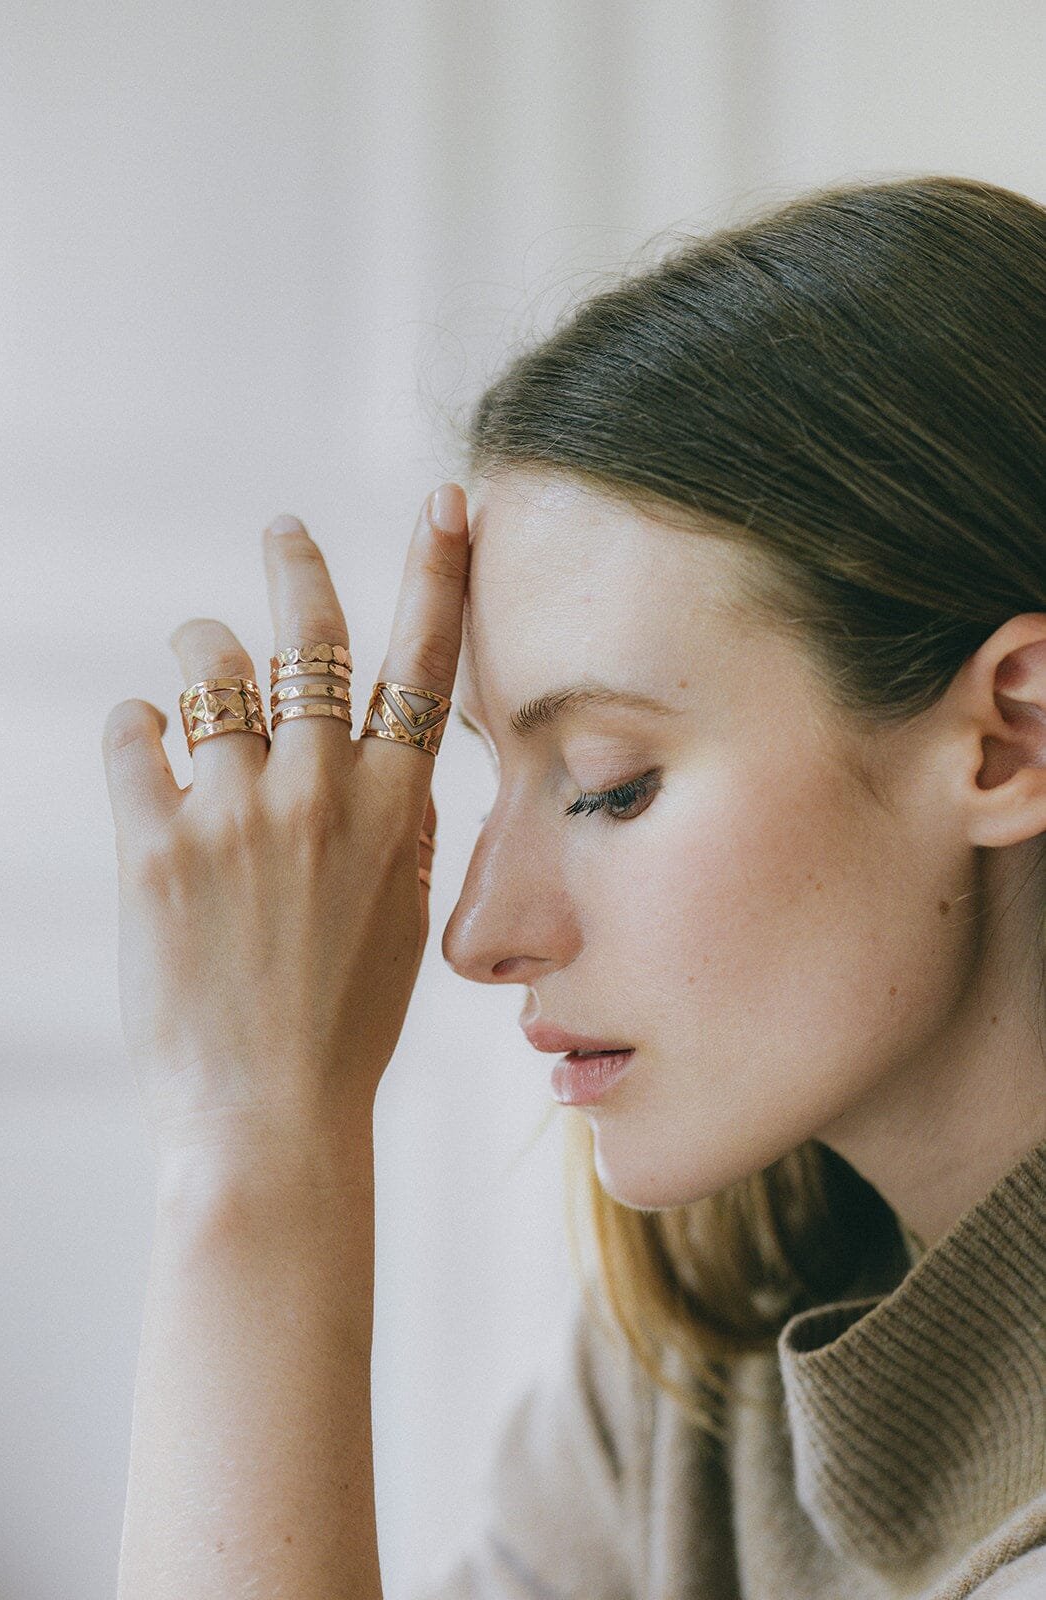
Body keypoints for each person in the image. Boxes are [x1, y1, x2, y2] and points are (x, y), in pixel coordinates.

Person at [103, 173, 1046, 1599]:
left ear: (1008, 738)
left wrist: (257, 1150)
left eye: (609, 782)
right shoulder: (694, 1392)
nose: (480, 933)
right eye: (497, 771)